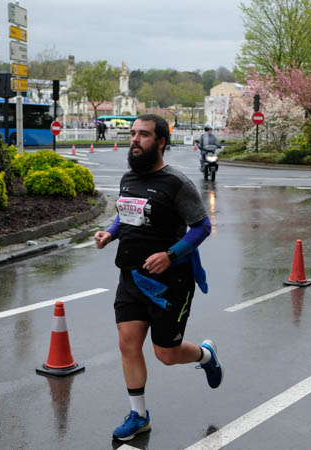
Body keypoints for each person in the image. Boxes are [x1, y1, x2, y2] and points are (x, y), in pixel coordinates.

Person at [94, 114, 222, 442]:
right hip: (131, 277)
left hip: (171, 283)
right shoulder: (128, 179)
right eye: (133, 134)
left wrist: (170, 255)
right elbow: (125, 215)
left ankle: (206, 355)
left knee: (166, 354)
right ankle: (139, 415)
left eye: (144, 135)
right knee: (128, 343)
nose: (135, 140)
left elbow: (202, 226)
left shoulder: (176, 183)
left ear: (161, 141)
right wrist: (109, 233)